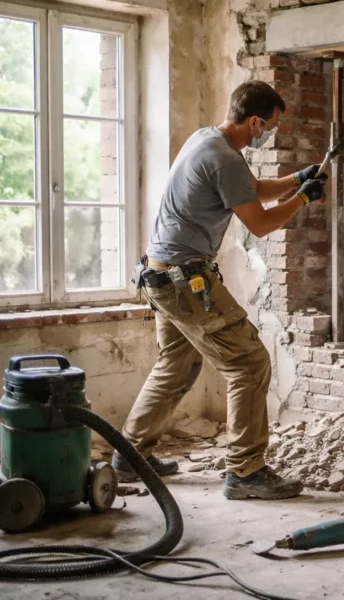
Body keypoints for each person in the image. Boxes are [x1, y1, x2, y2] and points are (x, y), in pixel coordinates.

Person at [114, 80, 325, 500]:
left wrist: (297, 179)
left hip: (159, 273)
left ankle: (129, 456)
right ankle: (245, 472)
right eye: (270, 127)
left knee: (176, 363)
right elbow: (261, 223)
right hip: (184, 280)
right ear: (253, 121)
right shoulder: (224, 159)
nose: (269, 134)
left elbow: (255, 191)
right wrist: (303, 200)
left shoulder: (207, 139)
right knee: (249, 363)